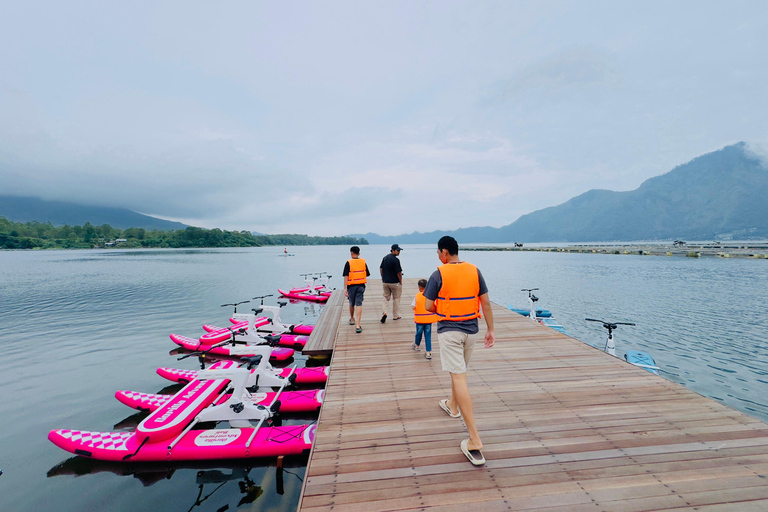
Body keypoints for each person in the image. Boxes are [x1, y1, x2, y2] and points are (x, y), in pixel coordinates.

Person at [424, 235, 495, 466]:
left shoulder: (438, 274)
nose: (438, 255)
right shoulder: (475, 271)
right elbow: (485, 302)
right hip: (471, 332)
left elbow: (427, 305)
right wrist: (491, 329)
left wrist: (441, 306)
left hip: (450, 331)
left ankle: (474, 440)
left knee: (459, 376)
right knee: (459, 371)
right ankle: (452, 405)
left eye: (438, 252)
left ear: (445, 252)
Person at [343, 245, 370, 333]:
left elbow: (346, 276)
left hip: (351, 286)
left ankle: (352, 319)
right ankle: (358, 324)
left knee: (351, 303)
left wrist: (344, 288)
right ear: (359, 253)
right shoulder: (363, 262)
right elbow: (367, 273)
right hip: (361, 285)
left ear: (351, 253)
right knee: (359, 303)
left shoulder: (348, 263)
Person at [411, 278, 436, 359]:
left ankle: (417, 345)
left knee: (419, 332)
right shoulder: (431, 296)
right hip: (428, 319)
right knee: (428, 335)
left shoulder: (417, 296)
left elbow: (413, 306)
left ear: (419, 288)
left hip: (420, 319)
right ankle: (428, 352)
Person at [379, 243, 403, 323]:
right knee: (396, 298)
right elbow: (398, 272)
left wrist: (383, 277)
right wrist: (400, 281)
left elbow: (381, 268)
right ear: (393, 250)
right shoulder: (396, 260)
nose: (399, 252)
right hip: (394, 282)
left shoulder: (385, 258)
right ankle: (395, 315)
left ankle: (384, 312)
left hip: (385, 282)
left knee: (385, 298)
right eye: (398, 250)